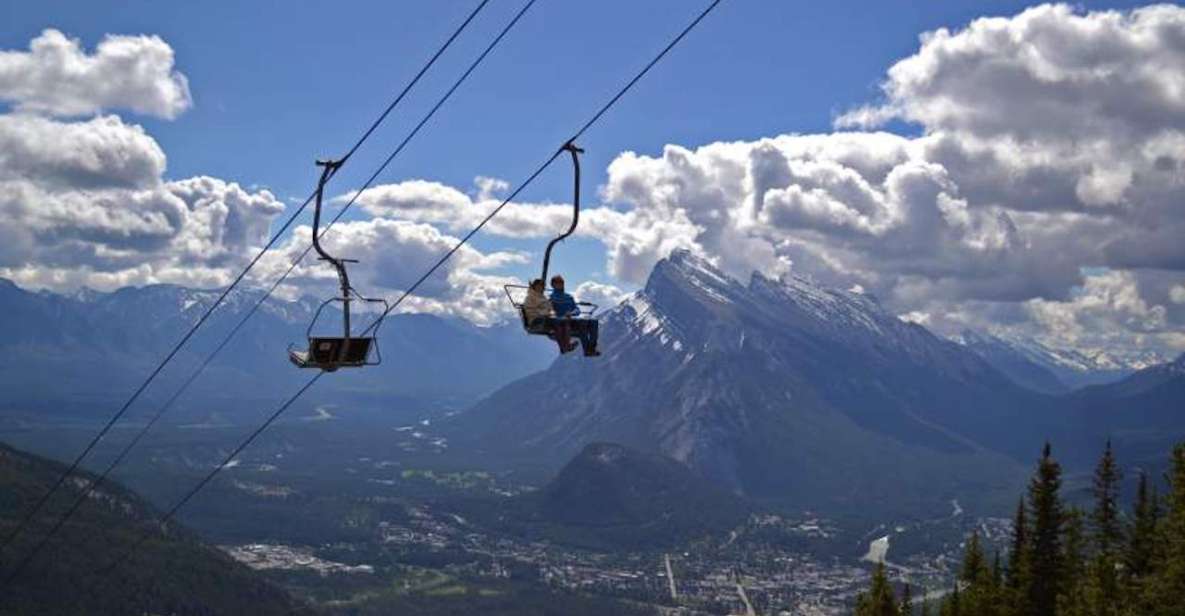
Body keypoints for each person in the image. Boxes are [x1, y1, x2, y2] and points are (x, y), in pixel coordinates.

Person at [549, 275, 600, 357]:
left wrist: (572, 313)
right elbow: (550, 310)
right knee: (582, 325)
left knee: (594, 322)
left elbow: (577, 309)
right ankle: (587, 350)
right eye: (557, 283)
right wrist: (558, 314)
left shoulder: (568, 297)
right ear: (553, 285)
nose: (560, 285)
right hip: (562, 320)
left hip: (572, 318)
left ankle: (591, 348)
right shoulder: (552, 297)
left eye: (561, 283)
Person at [523, 278, 574, 353]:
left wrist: (554, 309)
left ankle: (566, 345)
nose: (540, 288)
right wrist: (545, 313)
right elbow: (530, 310)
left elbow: (549, 308)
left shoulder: (542, 297)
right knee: (557, 323)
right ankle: (564, 347)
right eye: (538, 286)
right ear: (534, 286)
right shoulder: (530, 297)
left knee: (564, 322)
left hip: (545, 318)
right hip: (536, 320)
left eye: (542, 286)